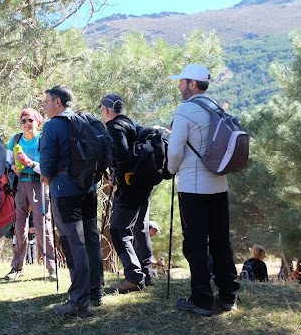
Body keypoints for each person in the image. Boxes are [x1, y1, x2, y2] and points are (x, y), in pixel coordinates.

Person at [168, 64, 240, 316]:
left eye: (182, 81)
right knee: (221, 242)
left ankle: (201, 299)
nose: (179, 86)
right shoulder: (216, 108)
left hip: (193, 188)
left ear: (193, 84)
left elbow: (175, 151)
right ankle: (228, 295)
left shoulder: (186, 110)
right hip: (220, 185)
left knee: (195, 245)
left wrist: (170, 169)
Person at [41, 85, 104, 317]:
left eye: (47, 101)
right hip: (89, 187)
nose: (45, 106)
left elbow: (46, 165)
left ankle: (78, 301)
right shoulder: (85, 120)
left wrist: (46, 179)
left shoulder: (52, 126)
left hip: (65, 191)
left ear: (58, 102)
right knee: (91, 239)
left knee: (73, 242)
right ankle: (95, 292)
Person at [100, 94, 155, 292]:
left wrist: (118, 177)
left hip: (130, 186)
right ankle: (147, 273)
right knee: (140, 227)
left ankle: (133, 277)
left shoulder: (114, 126)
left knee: (118, 230)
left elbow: (123, 156)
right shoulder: (129, 123)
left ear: (105, 110)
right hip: (144, 184)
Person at [3, 107, 56, 281]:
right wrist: (13, 167)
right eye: (23, 120)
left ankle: (51, 269)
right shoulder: (16, 139)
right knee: (19, 227)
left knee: (42, 226)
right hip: (20, 185)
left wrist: (29, 162)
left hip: (39, 184)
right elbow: (8, 161)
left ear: (37, 122)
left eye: (30, 120)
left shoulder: (42, 140)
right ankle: (17, 268)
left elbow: (47, 167)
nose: (26, 124)